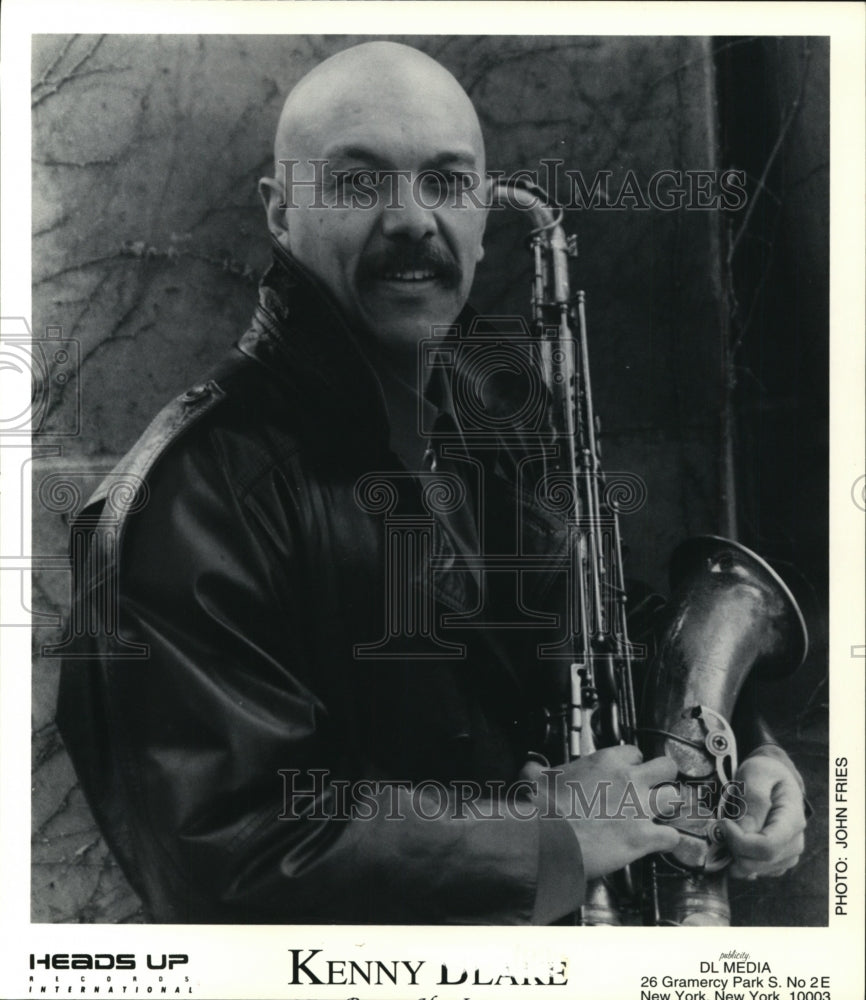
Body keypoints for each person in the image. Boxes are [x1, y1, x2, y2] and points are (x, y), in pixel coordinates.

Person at [57, 41, 807, 925]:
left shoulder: (493, 411)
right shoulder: (183, 499)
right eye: (358, 182)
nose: (413, 219)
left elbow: (601, 630)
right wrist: (542, 835)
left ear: (484, 216)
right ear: (279, 212)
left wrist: (735, 750)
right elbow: (231, 853)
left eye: (448, 183)